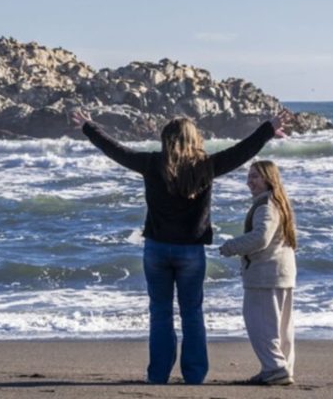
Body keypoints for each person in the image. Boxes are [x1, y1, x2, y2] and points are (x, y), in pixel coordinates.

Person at [70, 109, 289, 385]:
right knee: (192, 313)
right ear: (194, 138)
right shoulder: (205, 166)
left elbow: (117, 151)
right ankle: (194, 376)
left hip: (156, 250)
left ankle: (158, 374)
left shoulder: (151, 163)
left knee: (160, 312)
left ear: (165, 139)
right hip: (191, 253)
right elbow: (240, 152)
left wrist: (90, 128)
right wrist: (267, 129)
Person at [219, 160, 297, 386]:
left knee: (260, 326)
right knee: (281, 328)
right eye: (249, 176)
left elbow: (261, 237)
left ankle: (275, 368)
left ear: (268, 179)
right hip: (283, 273)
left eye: (255, 177)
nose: (249, 181)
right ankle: (281, 368)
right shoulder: (279, 204)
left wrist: (232, 246)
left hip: (265, 275)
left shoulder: (265, 206)